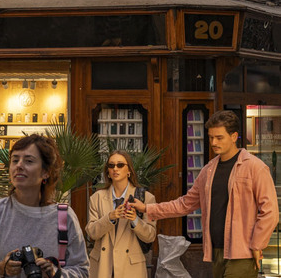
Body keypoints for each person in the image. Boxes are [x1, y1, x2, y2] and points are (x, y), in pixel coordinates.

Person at [128, 110, 279, 278]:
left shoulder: (255, 167)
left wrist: (257, 244)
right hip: (215, 251)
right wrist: (147, 208)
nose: (213, 142)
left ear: (234, 136)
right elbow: (185, 204)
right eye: (211, 137)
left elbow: (270, 212)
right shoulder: (208, 170)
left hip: (243, 252)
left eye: (219, 137)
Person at [0, 134, 89, 278]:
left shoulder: (64, 217)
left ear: (46, 172)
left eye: (28, 161)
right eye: (15, 160)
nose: (19, 166)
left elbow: (82, 270)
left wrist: (54, 273)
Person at [85, 150, 156, 278]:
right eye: (111, 165)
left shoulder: (146, 198)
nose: (115, 169)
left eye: (120, 165)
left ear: (129, 170)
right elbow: (91, 233)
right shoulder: (96, 198)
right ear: (107, 171)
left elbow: (150, 236)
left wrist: (135, 220)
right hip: (102, 266)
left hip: (130, 268)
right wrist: (110, 218)